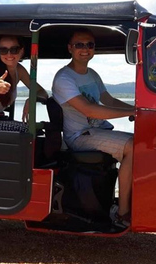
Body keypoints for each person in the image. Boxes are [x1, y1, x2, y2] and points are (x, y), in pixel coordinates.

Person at [52, 28, 135, 229]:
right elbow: (91, 109)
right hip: (79, 136)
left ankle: (131, 201)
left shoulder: (92, 74)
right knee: (133, 146)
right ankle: (123, 213)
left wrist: (137, 109)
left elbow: (108, 100)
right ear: (70, 48)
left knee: (143, 142)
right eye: (79, 45)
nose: (85, 49)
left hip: (96, 131)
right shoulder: (64, 78)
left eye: (90, 45)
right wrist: (132, 113)